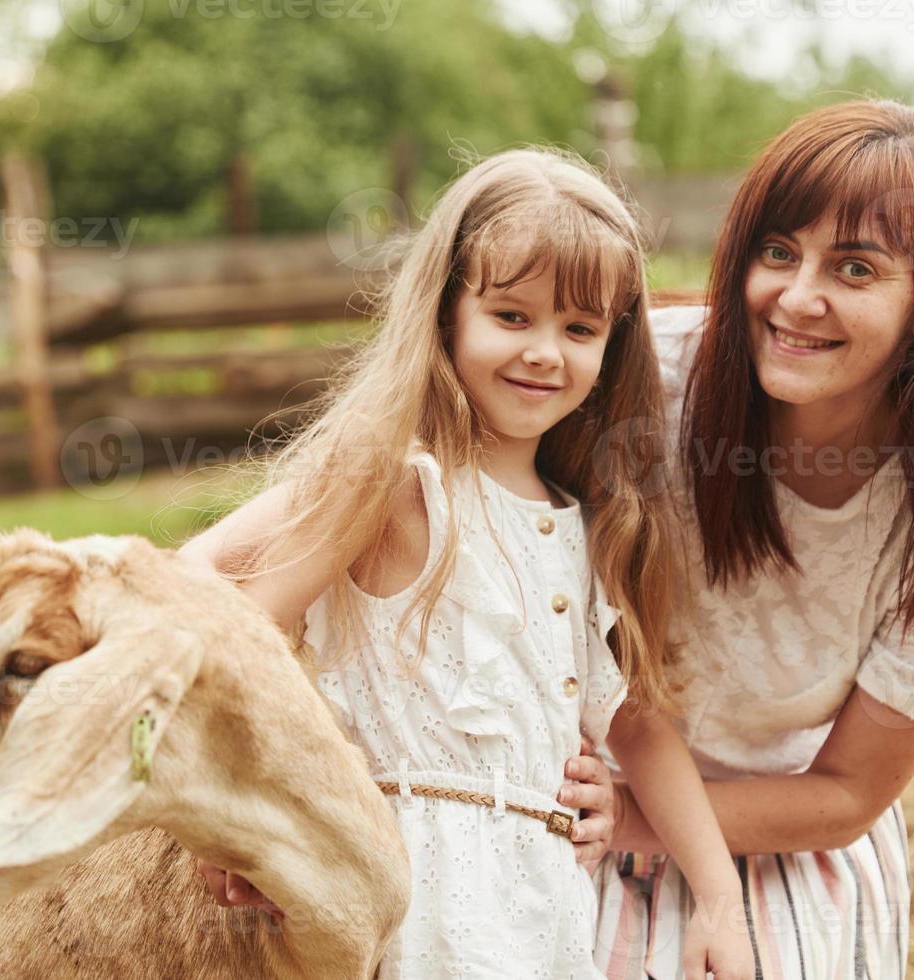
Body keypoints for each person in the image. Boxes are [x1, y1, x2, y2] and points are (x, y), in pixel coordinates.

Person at [179, 148, 755, 979]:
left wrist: (718, 900)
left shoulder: (593, 522)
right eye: (512, 317)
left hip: (543, 909)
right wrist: (237, 809)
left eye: (580, 329)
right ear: (447, 312)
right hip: (405, 896)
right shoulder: (399, 482)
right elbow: (226, 604)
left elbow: (639, 725)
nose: (546, 353)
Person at [585, 100, 914, 979]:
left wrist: (635, 819)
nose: (797, 298)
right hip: (573, 782)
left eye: (856, 267)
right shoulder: (642, 384)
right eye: (776, 251)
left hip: (780, 824)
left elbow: (846, 796)